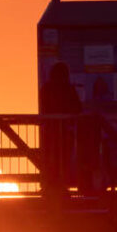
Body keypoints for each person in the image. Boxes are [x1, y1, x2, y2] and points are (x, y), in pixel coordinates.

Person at [39, 61, 83, 198]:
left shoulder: (46, 88)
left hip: (49, 132)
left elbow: (44, 107)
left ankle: (48, 186)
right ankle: (61, 186)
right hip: (64, 132)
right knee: (63, 160)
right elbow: (77, 108)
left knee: (50, 159)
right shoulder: (68, 89)